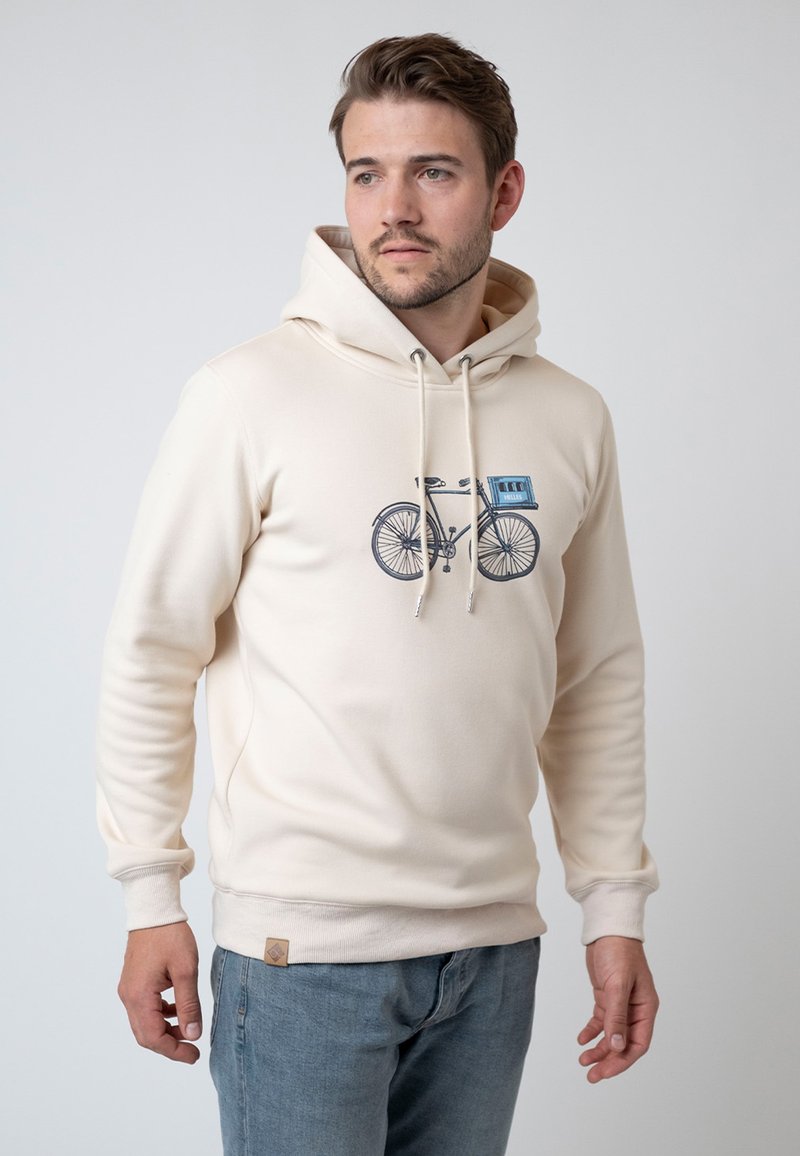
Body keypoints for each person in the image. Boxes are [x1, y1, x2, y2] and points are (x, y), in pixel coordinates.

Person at [97, 32, 659, 1156]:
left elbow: (594, 678)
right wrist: (150, 894)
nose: (393, 209)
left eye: (433, 172)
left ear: (503, 191)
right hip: (299, 956)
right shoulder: (248, 394)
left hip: (492, 953)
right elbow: (152, 648)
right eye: (366, 173)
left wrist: (613, 907)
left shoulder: (569, 417)